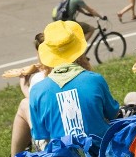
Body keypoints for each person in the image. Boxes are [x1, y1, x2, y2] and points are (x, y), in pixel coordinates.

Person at [29, 20, 119, 156]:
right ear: (79, 49)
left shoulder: (37, 90)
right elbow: (113, 113)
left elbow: (41, 134)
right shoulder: (95, 80)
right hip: (101, 151)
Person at [10, 32, 49, 156]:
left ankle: (17, 154)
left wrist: (25, 88)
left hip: (55, 147)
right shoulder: (86, 75)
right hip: (87, 142)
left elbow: (39, 107)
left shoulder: (39, 79)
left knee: (25, 104)